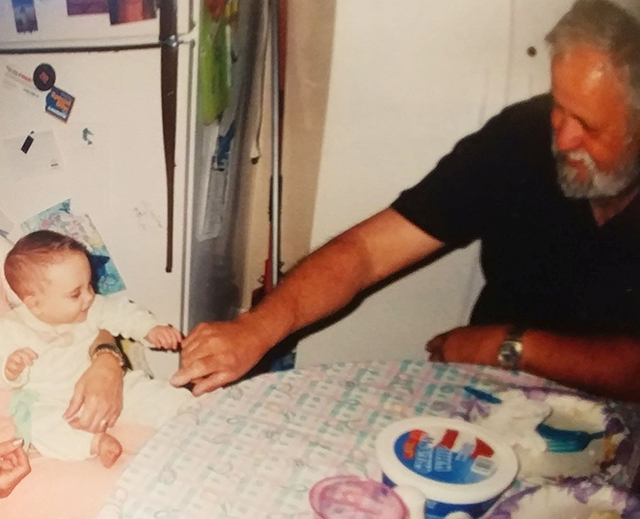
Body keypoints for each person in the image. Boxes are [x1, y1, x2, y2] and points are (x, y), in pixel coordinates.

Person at [171, 0, 640, 402]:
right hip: (495, 401)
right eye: (559, 103)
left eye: (590, 125)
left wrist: (513, 346)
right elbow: (368, 252)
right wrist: (259, 327)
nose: (561, 134)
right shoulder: (522, 136)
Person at [0, 230, 194, 469]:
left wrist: (150, 329)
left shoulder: (90, 308)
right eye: (75, 293)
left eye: (89, 285)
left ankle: (193, 412)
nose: (89, 297)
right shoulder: (11, 329)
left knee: (148, 391)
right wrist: (12, 369)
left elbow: (121, 312)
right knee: (38, 425)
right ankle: (93, 444)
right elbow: (6, 382)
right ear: (35, 304)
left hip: (110, 384)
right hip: (54, 401)